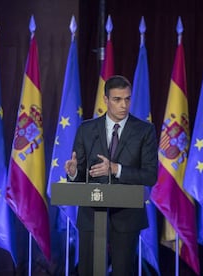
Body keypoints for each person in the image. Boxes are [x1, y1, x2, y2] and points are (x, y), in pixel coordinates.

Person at [64, 75, 158, 276]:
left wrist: (116, 169)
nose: (123, 105)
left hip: (127, 215)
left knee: (123, 271)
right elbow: (80, 174)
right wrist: (73, 173)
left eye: (127, 99)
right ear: (106, 100)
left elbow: (150, 176)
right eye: (117, 99)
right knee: (88, 271)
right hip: (91, 213)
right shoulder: (86, 130)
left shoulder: (145, 131)